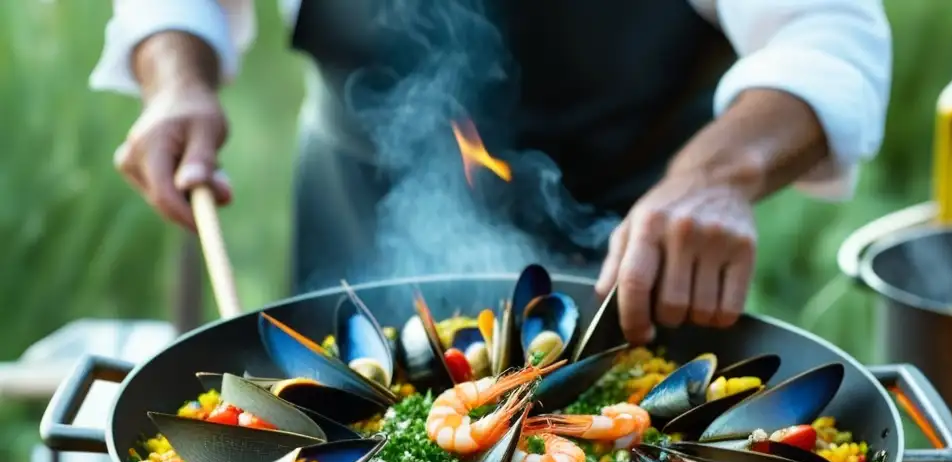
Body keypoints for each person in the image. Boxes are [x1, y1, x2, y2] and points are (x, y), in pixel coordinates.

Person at [92, 1, 892, 344]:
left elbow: (831, 32)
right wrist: (178, 81)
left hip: (632, 249)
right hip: (351, 204)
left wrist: (716, 177)